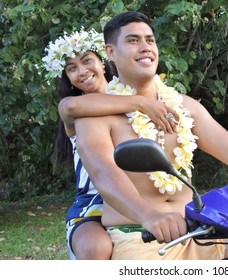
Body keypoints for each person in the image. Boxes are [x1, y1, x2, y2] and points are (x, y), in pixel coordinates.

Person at [74, 11, 228, 260]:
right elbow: (104, 173)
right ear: (110, 52)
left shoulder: (185, 106)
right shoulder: (94, 116)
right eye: (133, 40)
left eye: (150, 40)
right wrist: (147, 215)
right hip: (139, 236)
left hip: (204, 233)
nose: (145, 47)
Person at [40, 27, 179, 259]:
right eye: (71, 68)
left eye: (87, 61)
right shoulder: (78, 108)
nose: (82, 71)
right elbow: (69, 107)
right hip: (93, 207)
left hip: (138, 200)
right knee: (96, 248)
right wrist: (142, 104)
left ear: (103, 62)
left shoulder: (132, 96)